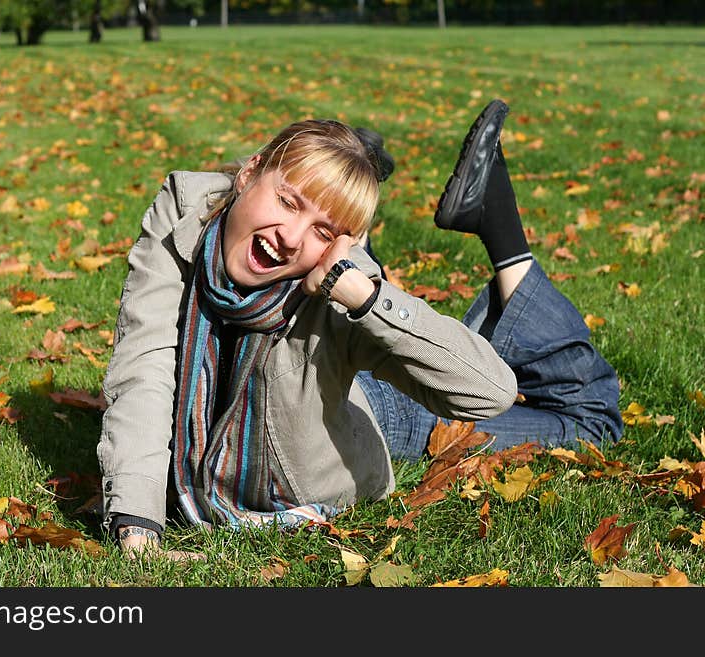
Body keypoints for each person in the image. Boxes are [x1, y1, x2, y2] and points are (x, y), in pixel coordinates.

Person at [97, 100, 623, 558]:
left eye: (322, 231)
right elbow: (145, 368)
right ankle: (366, 172)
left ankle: (499, 224)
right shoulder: (185, 218)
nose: (287, 237)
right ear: (249, 171)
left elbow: (491, 392)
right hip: (325, 380)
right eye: (286, 201)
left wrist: (365, 294)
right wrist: (139, 525)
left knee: (592, 419)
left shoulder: (340, 286)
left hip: (355, 415)